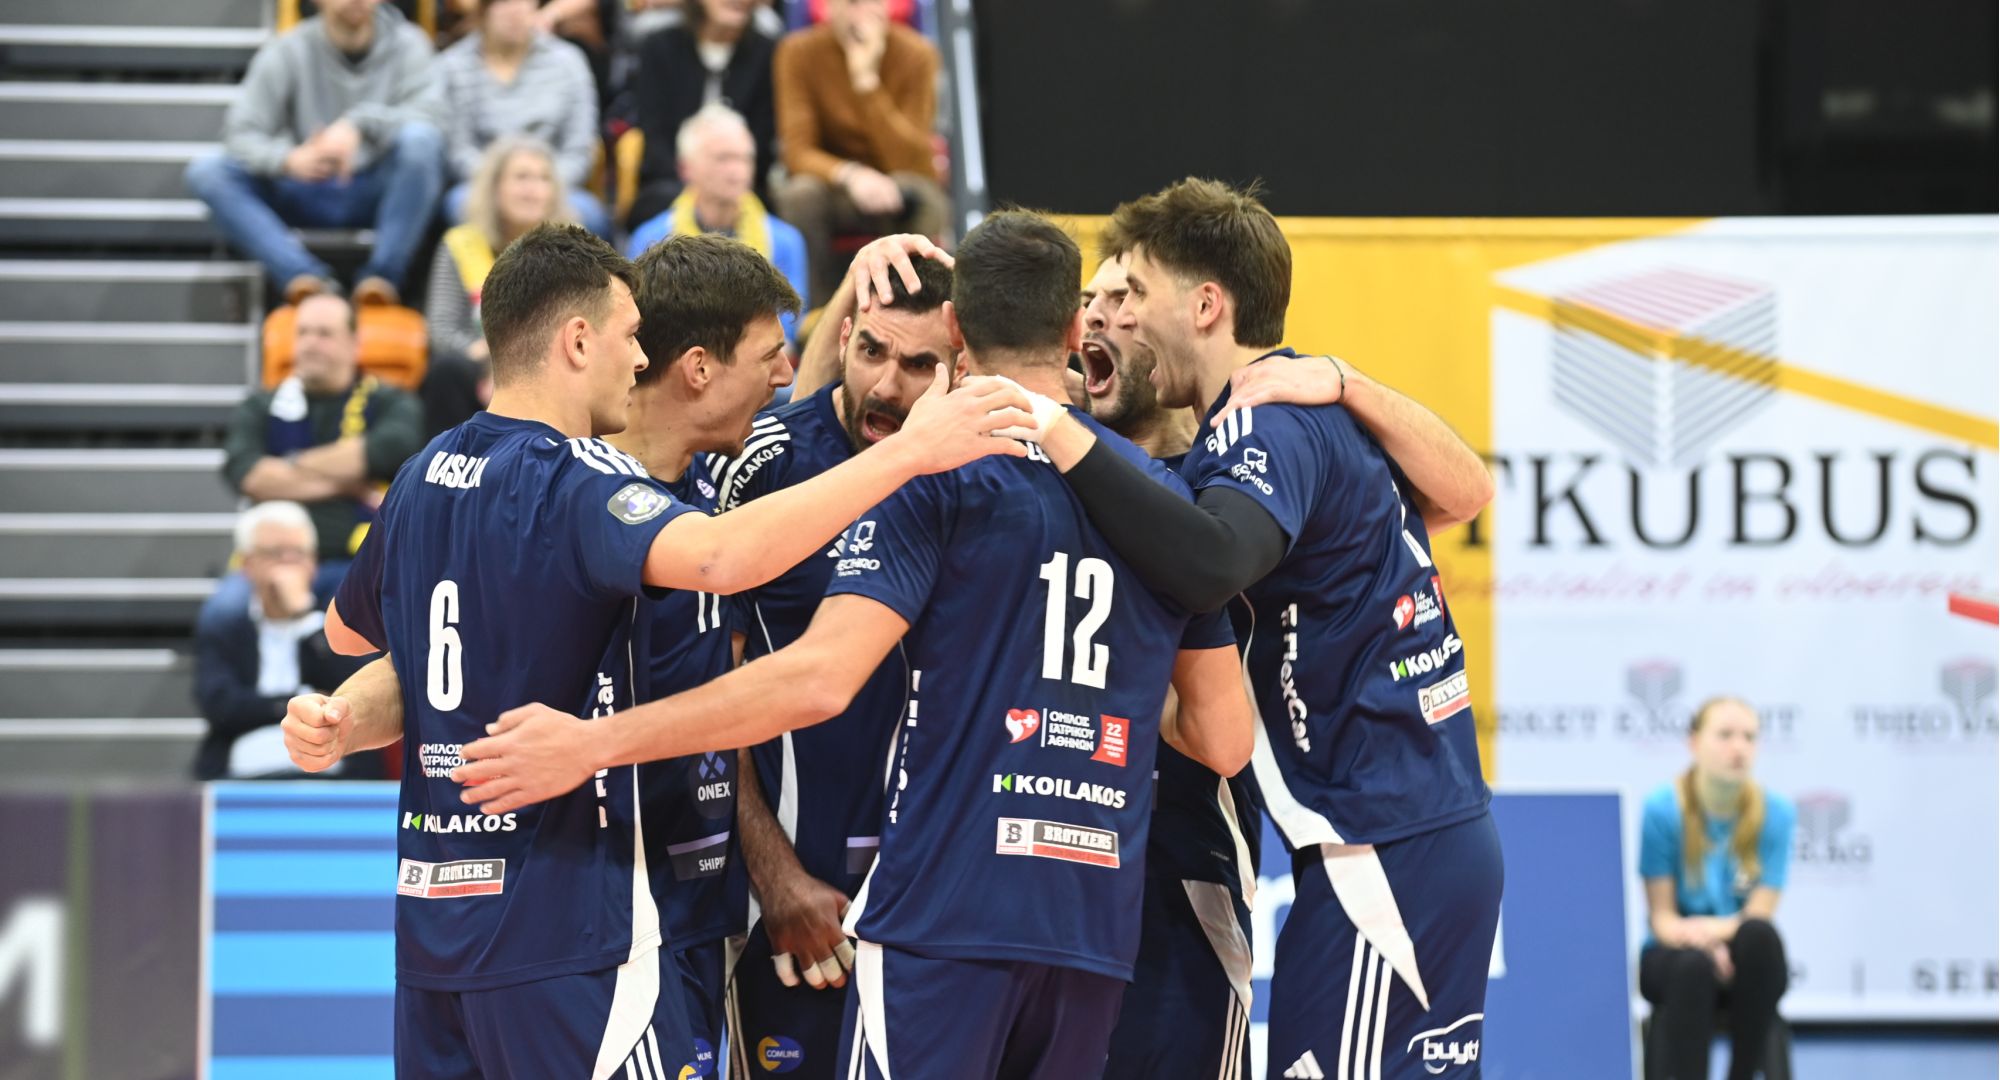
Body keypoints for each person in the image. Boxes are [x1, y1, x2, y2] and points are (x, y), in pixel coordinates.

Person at [445, 209, 1257, 1080]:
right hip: (1091, 930)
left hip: (942, 917)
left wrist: (593, 743)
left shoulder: (931, 476)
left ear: (955, 330)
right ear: (1070, 331)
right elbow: (1223, 739)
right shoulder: (1158, 503)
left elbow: (819, 679)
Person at [280, 223, 1028, 1078]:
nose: (639, 360)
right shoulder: (588, 486)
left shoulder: (427, 471)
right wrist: (917, 451)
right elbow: (724, 557)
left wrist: (345, 716)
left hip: (454, 923)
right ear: (580, 342)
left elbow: (360, 636)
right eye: (630, 337)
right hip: (586, 922)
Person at [1016, 178, 1501, 1080]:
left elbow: (1212, 562)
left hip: (1387, 835)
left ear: (1205, 305)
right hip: (1397, 833)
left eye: (1136, 292)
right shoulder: (1294, 413)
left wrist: (1055, 431)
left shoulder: (1264, 424)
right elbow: (1452, 497)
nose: (1119, 315)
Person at [704, 238, 958, 1080]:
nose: (885, 385)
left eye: (918, 365)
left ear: (960, 365)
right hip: (797, 908)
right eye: (872, 350)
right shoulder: (766, 464)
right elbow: (711, 691)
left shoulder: (989, 463)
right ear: (843, 334)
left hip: (939, 908)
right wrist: (776, 878)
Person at [184, 0, 444, 306]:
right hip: (306, 186)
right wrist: (288, 159)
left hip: (379, 190)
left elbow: (435, 120)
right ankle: (305, 278)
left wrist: (359, 125)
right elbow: (239, 134)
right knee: (208, 173)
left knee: (422, 143)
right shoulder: (288, 49)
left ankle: (382, 280)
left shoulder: (409, 43)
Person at [216, 292, 425, 617]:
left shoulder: (392, 403)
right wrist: (349, 484)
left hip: (355, 561)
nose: (310, 343)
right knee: (224, 615)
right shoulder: (259, 406)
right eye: (303, 332)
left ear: (354, 343)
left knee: (363, 615)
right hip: (270, 559)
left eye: (324, 334)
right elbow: (248, 474)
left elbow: (386, 450)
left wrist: (288, 465)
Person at [1639, 697, 1796, 1080]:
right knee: (1693, 967)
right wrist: (1705, 945)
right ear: (1694, 742)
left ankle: (1741, 1074)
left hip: (1742, 954)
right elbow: (1662, 917)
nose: (1739, 748)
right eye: (1725, 735)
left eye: (1749, 737)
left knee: (1760, 937)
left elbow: (1759, 912)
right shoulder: (1662, 809)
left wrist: (1715, 934)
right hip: (1674, 952)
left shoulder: (1777, 813)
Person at [772, 0, 949, 302]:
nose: (863, 13)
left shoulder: (918, 54)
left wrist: (867, 83)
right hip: (834, 184)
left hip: (896, 183)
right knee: (799, 195)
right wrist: (851, 175)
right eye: (852, 3)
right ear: (829, 7)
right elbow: (798, 152)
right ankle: (815, 312)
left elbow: (915, 159)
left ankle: (917, 304)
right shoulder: (798, 52)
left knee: (925, 198)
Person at [193, 502, 374, 780]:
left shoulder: (339, 625)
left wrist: (304, 616)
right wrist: (294, 704)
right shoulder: (226, 624)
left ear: (314, 563)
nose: (288, 564)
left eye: (298, 554)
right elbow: (220, 705)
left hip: (334, 778)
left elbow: (358, 691)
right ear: (247, 565)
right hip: (244, 776)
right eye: (275, 554)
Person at [423, 136, 578, 436]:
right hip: (478, 363)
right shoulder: (460, 244)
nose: (533, 189)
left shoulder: (574, 249)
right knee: (447, 370)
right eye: (521, 177)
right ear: (494, 188)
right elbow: (442, 330)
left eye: (543, 179)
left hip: (550, 367)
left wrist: (518, 365)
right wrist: (493, 359)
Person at [626, 104, 810, 346]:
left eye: (745, 158)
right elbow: (642, 322)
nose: (737, 170)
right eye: (723, 158)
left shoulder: (785, 240)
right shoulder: (650, 238)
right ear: (685, 168)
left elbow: (790, 325)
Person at [435, 0, 611, 237]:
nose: (516, 11)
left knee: (590, 214)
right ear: (484, 10)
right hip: (483, 184)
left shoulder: (568, 61)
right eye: (505, 3)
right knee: (459, 204)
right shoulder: (453, 66)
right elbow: (458, 148)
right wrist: (502, 184)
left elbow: (580, 147)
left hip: (554, 184)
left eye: (525, 2)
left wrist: (541, 184)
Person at [629, 0, 779, 228]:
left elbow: (762, 140)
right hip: (671, 180)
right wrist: (696, 185)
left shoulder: (768, 53)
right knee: (658, 205)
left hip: (741, 183)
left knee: (763, 212)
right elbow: (654, 134)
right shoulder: (659, 46)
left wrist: (731, 175)